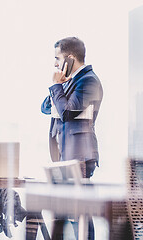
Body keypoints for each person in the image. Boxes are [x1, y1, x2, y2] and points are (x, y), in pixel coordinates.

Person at [40, 37, 103, 240]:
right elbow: (45, 107)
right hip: (65, 155)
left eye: (57, 58)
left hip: (80, 155)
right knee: (63, 210)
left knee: (80, 213)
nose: (55, 64)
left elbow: (66, 112)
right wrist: (59, 86)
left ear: (70, 58)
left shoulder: (89, 81)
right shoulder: (70, 81)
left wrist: (57, 86)